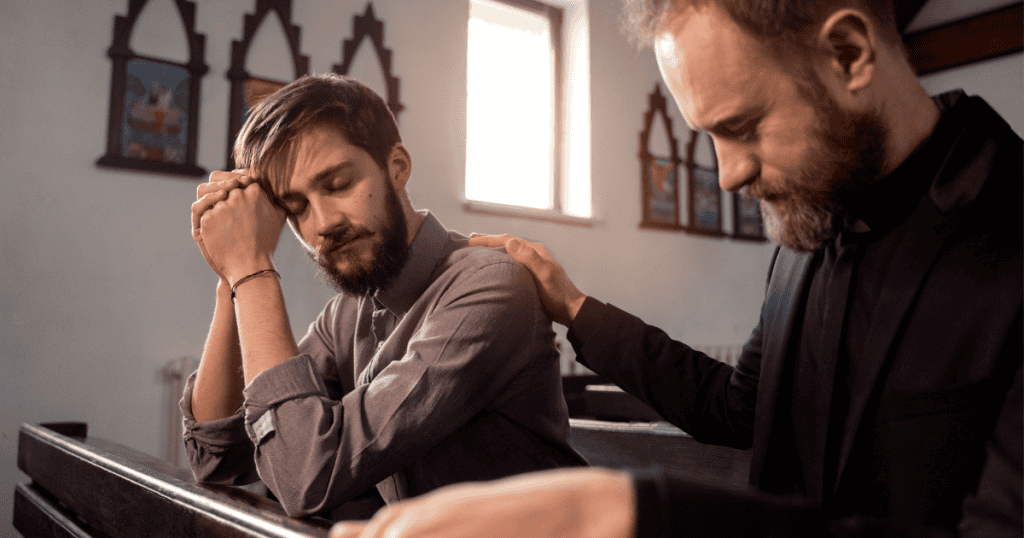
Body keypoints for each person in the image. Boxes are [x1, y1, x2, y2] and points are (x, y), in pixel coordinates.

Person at [330, 0, 1022, 536]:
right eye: (709, 136)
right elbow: (739, 408)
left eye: (743, 126)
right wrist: (574, 306)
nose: (728, 174)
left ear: (848, 53)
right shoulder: (811, 227)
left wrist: (634, 514)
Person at [181, 74, 587, 518]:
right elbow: (218, 460)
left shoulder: (490, 285)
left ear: (396, 168)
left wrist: (253, 269)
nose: (322, 224)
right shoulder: (347, 314)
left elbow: (305, 476)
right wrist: (232, 278)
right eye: (296, 208)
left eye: (337, 185)